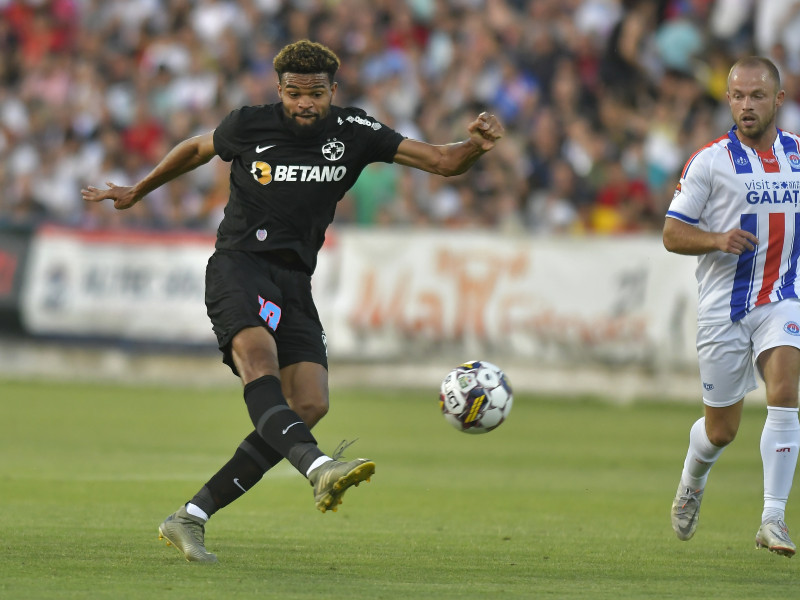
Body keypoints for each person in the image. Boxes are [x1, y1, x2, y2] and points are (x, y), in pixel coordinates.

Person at [81, 40, 504, 563]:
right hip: (239, 266)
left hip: (294, 282)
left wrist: (476, 147)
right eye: (294, 93)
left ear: (333, 90)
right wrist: (139, 190)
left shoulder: (355, 132)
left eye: (316, 94)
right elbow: (195, 149)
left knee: (310, 402)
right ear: (280, 90)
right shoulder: (249, 124)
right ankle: (319, 468)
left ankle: (188, 517)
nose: (305, 104)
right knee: (259, 362)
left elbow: (442, 161)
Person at [664, 56, 800, 557]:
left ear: (778, 101)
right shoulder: (710, 161)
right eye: (738, 96)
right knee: (721, 431)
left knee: (786, 388)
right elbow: (671, 233)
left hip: (782, 299)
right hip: (724, 308)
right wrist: (718, 239)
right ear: (728, 100)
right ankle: (692, 482)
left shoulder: (799, 156)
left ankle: (773, 518)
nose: (746, 105)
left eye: (757, 96)